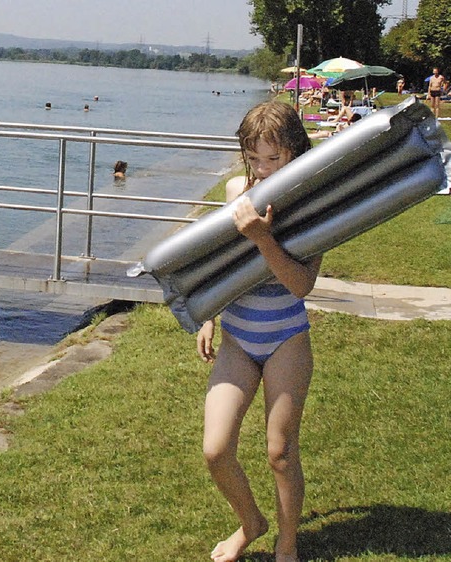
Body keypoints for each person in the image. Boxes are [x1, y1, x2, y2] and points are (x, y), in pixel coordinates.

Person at [197, 100, 322, 562]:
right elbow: (219, 262)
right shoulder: (235, 191)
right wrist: (209, 313)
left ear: (295, 152)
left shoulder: (311, 203)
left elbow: (301, 284)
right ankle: (252, 522)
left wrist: (263, 238)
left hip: (286, 333)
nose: (264, 170)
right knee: (215, 449)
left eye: (275, 158)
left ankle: (287, 546)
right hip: (238, 335)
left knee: (281, 452)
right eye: (255, 159)